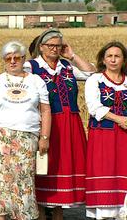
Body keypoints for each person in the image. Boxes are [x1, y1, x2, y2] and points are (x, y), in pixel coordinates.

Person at [25, 28, 95, 220]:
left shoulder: (67, 66)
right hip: (46, 123)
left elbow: (93, 74)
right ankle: (39, 212)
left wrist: (71, 55)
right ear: (41, 47)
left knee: (65, 166)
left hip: (70, 124)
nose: (55, 49)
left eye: (58, 45)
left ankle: (58, 212)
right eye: (51, 45)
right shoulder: (31, 67)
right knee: (45, 166)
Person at [0, 41, 51, 220]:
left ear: (23, 59)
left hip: (27, 136)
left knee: (24, 180)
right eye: (8, 58)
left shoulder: (36, 81)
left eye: (16, 58)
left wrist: (44, 137)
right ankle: (1, 217)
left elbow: (45, 110)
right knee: (0, 180)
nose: (12, 61)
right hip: (1, 136)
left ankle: (22, 216)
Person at [84, 41, 127, 219]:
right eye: (109, 56)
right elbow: (94, 107)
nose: (113, 59)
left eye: (117, 56)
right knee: (105, 171)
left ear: (124, 60)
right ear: (103, 59)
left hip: (125, 135)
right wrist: (120, 119)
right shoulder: (95, 80)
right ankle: (104, 214)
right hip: (103, 134)